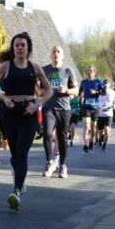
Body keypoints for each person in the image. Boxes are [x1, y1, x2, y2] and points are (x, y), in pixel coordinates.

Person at [0, 33, 53, 210]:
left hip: (28, 111)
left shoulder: (35, 68)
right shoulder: (5, 67)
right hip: (10, 111)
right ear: (13, 48)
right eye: (17, 45)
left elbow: (48, 91)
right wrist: (4, 99)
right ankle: (18, 174)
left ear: (28, 48)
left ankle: (16, 192)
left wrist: (37, 104)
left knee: (22, 152)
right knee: (15, 154)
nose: (20, 48)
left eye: (23, 45)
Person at [40, 46, 77, 179]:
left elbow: (76, 89)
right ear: (50, 55)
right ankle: (50, 162)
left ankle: (62, 165)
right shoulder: (44, 70)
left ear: (62, 56)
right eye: (53, 52)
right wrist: (40, 92)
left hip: (64, 108)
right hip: (48, 107)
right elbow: (38, 88)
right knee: (47, 133)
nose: (56, 54)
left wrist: (66, 90)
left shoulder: (68, 70)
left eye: (58, 52)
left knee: (62, 138)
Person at [78, 66, 106, 154]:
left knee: (93, 128)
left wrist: (96, 92)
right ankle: (86, 144)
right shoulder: (83, 82)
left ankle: (91, 142)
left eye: (91, 71)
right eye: (88, 71)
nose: (89, 72)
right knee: (86, 126)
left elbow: (104, 92)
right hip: (86, 107)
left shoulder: (98, 81)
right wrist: (80, 95)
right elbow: (80, 92)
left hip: (95, 108)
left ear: (94, 72)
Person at [96, 80, 115, 151]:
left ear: (109, 85)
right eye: (104, 84)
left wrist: (114, 106)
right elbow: (96, 101)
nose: (105, 85)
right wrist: (98, 106)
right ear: (102, 85)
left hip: (109, 114)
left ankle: (104, 145)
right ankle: (101, 137)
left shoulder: (113, 92)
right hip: (101, 114)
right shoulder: (99, 93)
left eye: (107, 84)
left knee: (107, 130)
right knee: (100, 130)